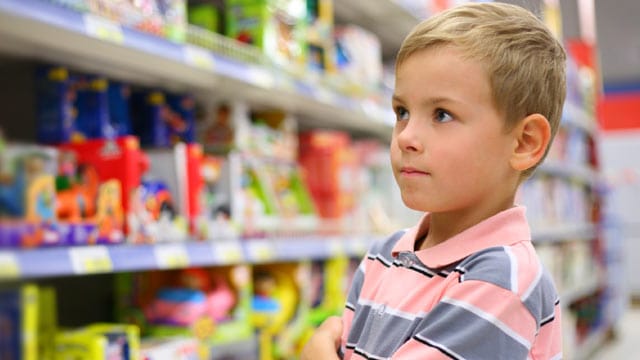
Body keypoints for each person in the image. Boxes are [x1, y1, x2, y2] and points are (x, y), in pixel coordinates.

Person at [302, 2, 566, 359]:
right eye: (402, 112)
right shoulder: (386, 255)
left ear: (524, 142)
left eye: (442, 114)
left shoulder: (502, 281)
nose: (406, 136)